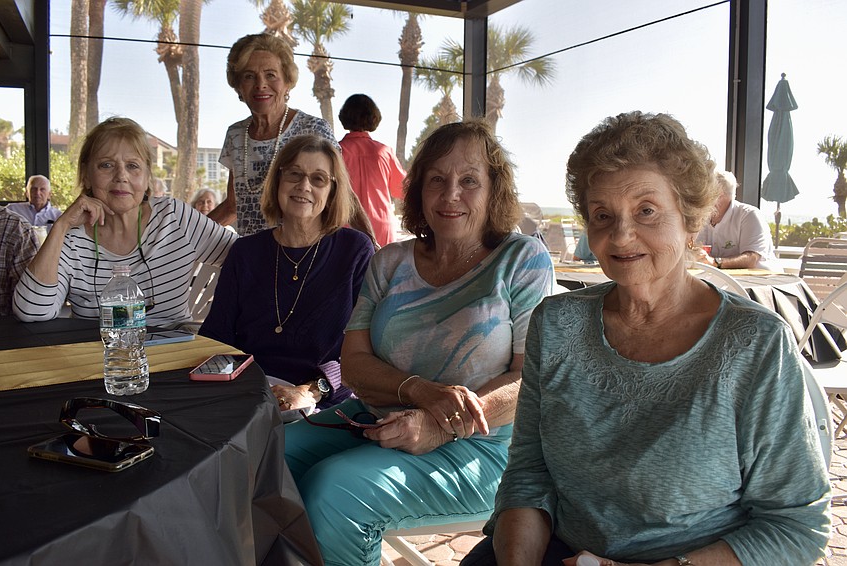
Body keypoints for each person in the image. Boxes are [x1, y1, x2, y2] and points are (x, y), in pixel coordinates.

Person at [462, 111, 831, 566]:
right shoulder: (556, 324)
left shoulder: (754, 343)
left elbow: (796, 526)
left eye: (647, 211)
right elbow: (529, 473)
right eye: (602, 215)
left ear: (691, 220)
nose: (620, 234)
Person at [284, 120, 555, 566]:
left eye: (469, 180)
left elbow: (531, 381)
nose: (451, 195)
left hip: (484, 444)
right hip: (371, 416)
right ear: (418, 191)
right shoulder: (390, 261)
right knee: (268, 461)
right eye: (437, 180)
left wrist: (442, 423)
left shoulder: (521, 259)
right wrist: (418, 391)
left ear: (493, 191)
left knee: (335, 493)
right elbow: (352, 364)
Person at [200, 135, 375, 415]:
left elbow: (366, 353)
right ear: (278, 181)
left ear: (332, 191)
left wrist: (309, 391)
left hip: (319, 402)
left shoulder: (353, 250)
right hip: (248, 394)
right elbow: (215, 337)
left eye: (318, 179)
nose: (303, 186)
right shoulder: (245, 252)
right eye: (294, 174)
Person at [13, 117, 238, 329]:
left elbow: (246, 258)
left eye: (132, 166)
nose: (122, 176)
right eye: (106, 165)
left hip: (175, 356)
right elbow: (32, 311)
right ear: (86, 175)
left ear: (147, 175)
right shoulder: (71, 240)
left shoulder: (174, 217)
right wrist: (61, 226)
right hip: (105, 361)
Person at [210, 33, 375, 243]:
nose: (260, 84)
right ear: (238, 86)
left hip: (303, 254)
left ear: (287, 82)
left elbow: (344, 195)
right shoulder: (235, 135)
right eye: (249, 76)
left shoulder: (314, 129)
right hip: (252, 257)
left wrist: (372, 243)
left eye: (271, 75)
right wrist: (185, 236)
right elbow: (233, 206)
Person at [338, 93, 406, 247]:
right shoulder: (384, 151)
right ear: (374, 117)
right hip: (382, 226)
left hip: (346, 226)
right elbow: (401, 190)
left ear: (344, 116)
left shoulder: (337, 151)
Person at [697, 169, 778, 270]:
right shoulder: (701, 217)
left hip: (763, 281)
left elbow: (751, 259)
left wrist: (715, 262)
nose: (700, 196)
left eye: (704, 191)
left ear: (719, 194)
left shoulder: (749, 215)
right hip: (724, 281)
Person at [0, 205, 39, 315]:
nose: (38, 193)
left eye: (42, 189)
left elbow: (32, 306)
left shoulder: (17, 228)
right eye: (34, 189)